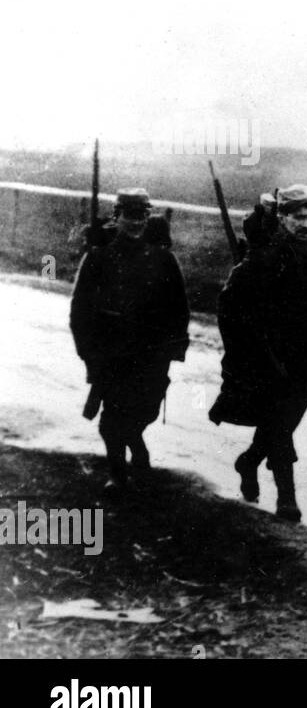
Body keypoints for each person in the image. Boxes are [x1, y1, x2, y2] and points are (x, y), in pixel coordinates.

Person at [209, 185, 307, 521]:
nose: (306, 223)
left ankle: (249, 461)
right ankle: (287, 498)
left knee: (281, 424)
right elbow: (229, 306)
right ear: (282, 218)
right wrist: (249, 352)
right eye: (298, 216)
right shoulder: (264, 257)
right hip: (272, 362)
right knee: (280, 427)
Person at [70, 189, 190, 495]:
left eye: (142, 216)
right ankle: (118, 472)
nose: (136, 222)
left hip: (151, 354)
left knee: (146, 409)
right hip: (111, 353)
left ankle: (135, 441)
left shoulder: (163, 259)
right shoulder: (98, 257)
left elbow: (179, 307)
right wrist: (89, 354)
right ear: (116, 217)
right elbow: (80, 310)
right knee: (112, 416)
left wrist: (174, 347)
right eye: (129, 216)